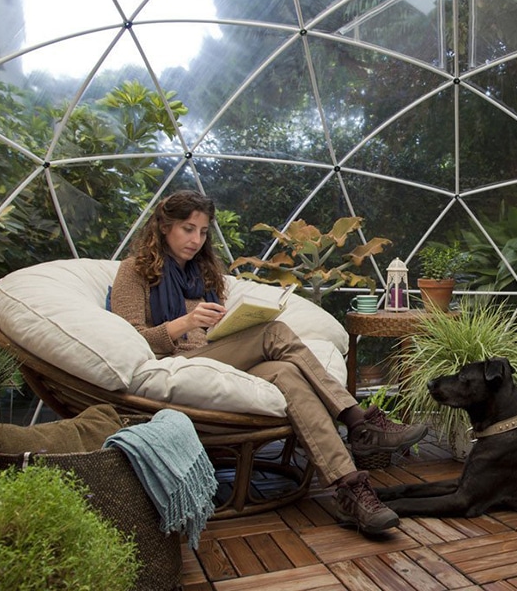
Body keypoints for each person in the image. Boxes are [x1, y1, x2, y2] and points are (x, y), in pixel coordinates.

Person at [110, 190, 427, 535]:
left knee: (287, 372)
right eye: (188, 229)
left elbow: (213, 330)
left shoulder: (201, 272)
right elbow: (130, 338)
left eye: (202, 232)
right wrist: (184, 323)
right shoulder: (135, 271)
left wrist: (230, 325)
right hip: (177, 361)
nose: (196, 240)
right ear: (163, 226)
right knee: (274, 332)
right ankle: (359, 422)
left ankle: (348, 489)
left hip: (219, 355)